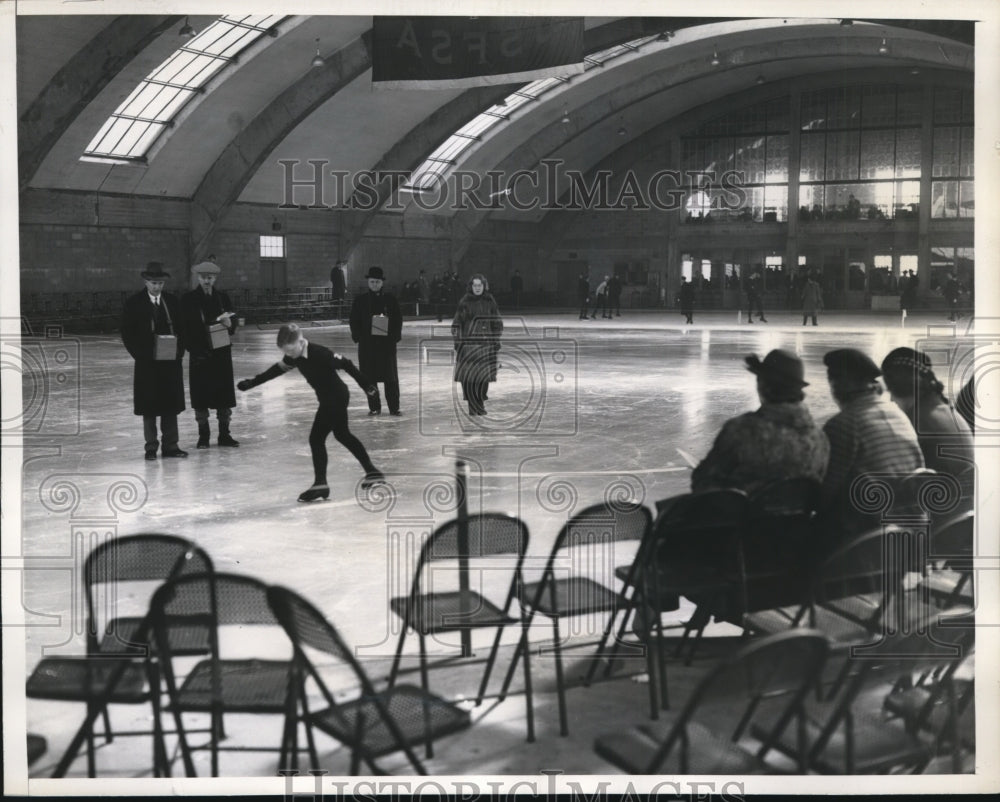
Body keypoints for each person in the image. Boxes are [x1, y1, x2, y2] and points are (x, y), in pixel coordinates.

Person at [236, 324, 385, 502]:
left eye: (291, 351)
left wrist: (366, 385)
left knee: (316, 438)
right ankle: (372, 472)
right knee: (343, 435)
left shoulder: (319, 353)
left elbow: (347, 364)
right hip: (328, 398)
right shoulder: (294, 355)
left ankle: (321, 484)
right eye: (286, 353)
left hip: (335, 397)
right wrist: (252, 383)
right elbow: (276, 370)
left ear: (300, 342)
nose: (289, 356)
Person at [820, 348, 924, 540]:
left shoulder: (844, 424)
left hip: (866, 539)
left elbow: (826, 493)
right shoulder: (898, 414)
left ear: (837, 385)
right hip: (909, 533)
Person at [691, 350, 829, 494]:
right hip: (798, 516)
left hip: (744, 515)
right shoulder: (820, 439)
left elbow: (703, 483)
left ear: (762, 386)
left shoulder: (742, 430)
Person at [881, 347, 975, 490]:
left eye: (890, 391)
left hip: (944, 503)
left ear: (896, 388)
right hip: (964, 500)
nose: (891, 400)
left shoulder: (917, 420)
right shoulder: (943, 409)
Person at [121, 262, 188, 460]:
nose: (157, 287)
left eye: (160, 283)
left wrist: (179, 352)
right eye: (153, 283)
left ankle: (171, 446)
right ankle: (151, 447)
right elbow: (127, 333)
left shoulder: (172, 302)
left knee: (170, 405)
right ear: (145, 282)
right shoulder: (134, 303)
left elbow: (183, 329)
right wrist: (139, 355)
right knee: (149, 406)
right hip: (147, 364)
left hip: (169, 362)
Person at [180, 261, 239, 449]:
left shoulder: (223, 298)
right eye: (203, 277)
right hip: (200, 355)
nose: (207, 280)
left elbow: (233, 324)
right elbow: (183, 329)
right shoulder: (188, 299)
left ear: (215, 278)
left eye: (210, 277)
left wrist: (231, 324)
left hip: (221, 354)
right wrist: (192, 349)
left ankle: (224, 434)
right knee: (201, 397)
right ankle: (203, 436)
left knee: (224, 396)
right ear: (198, 278)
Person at [349, 266, 402, 416]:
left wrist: (395, 337)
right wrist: (358, 337)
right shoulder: (360, 301)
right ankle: (374, 407)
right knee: (369, 379)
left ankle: (394, 407)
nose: (374, 284)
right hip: (367, 347)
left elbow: (398, 320)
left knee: (390, 379)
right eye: (372, 282)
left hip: (386, 346)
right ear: (368, 282)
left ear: (382, 283)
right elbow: (353, 320)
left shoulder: (390, 300)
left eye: (377, 282)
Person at [452, 274, 503, 416]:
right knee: (469, 379)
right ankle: (473, 406)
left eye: (480, 285)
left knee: (483, 379)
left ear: (484, 286)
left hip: (485, 347)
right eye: (475, 285)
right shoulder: (465, 302)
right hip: (468, 348)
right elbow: (456, 325)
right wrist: (459, 343)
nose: (477, 288)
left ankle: (479, 404)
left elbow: (497, 323)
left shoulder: (489, 301)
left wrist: (495, 341)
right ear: (471, 287)